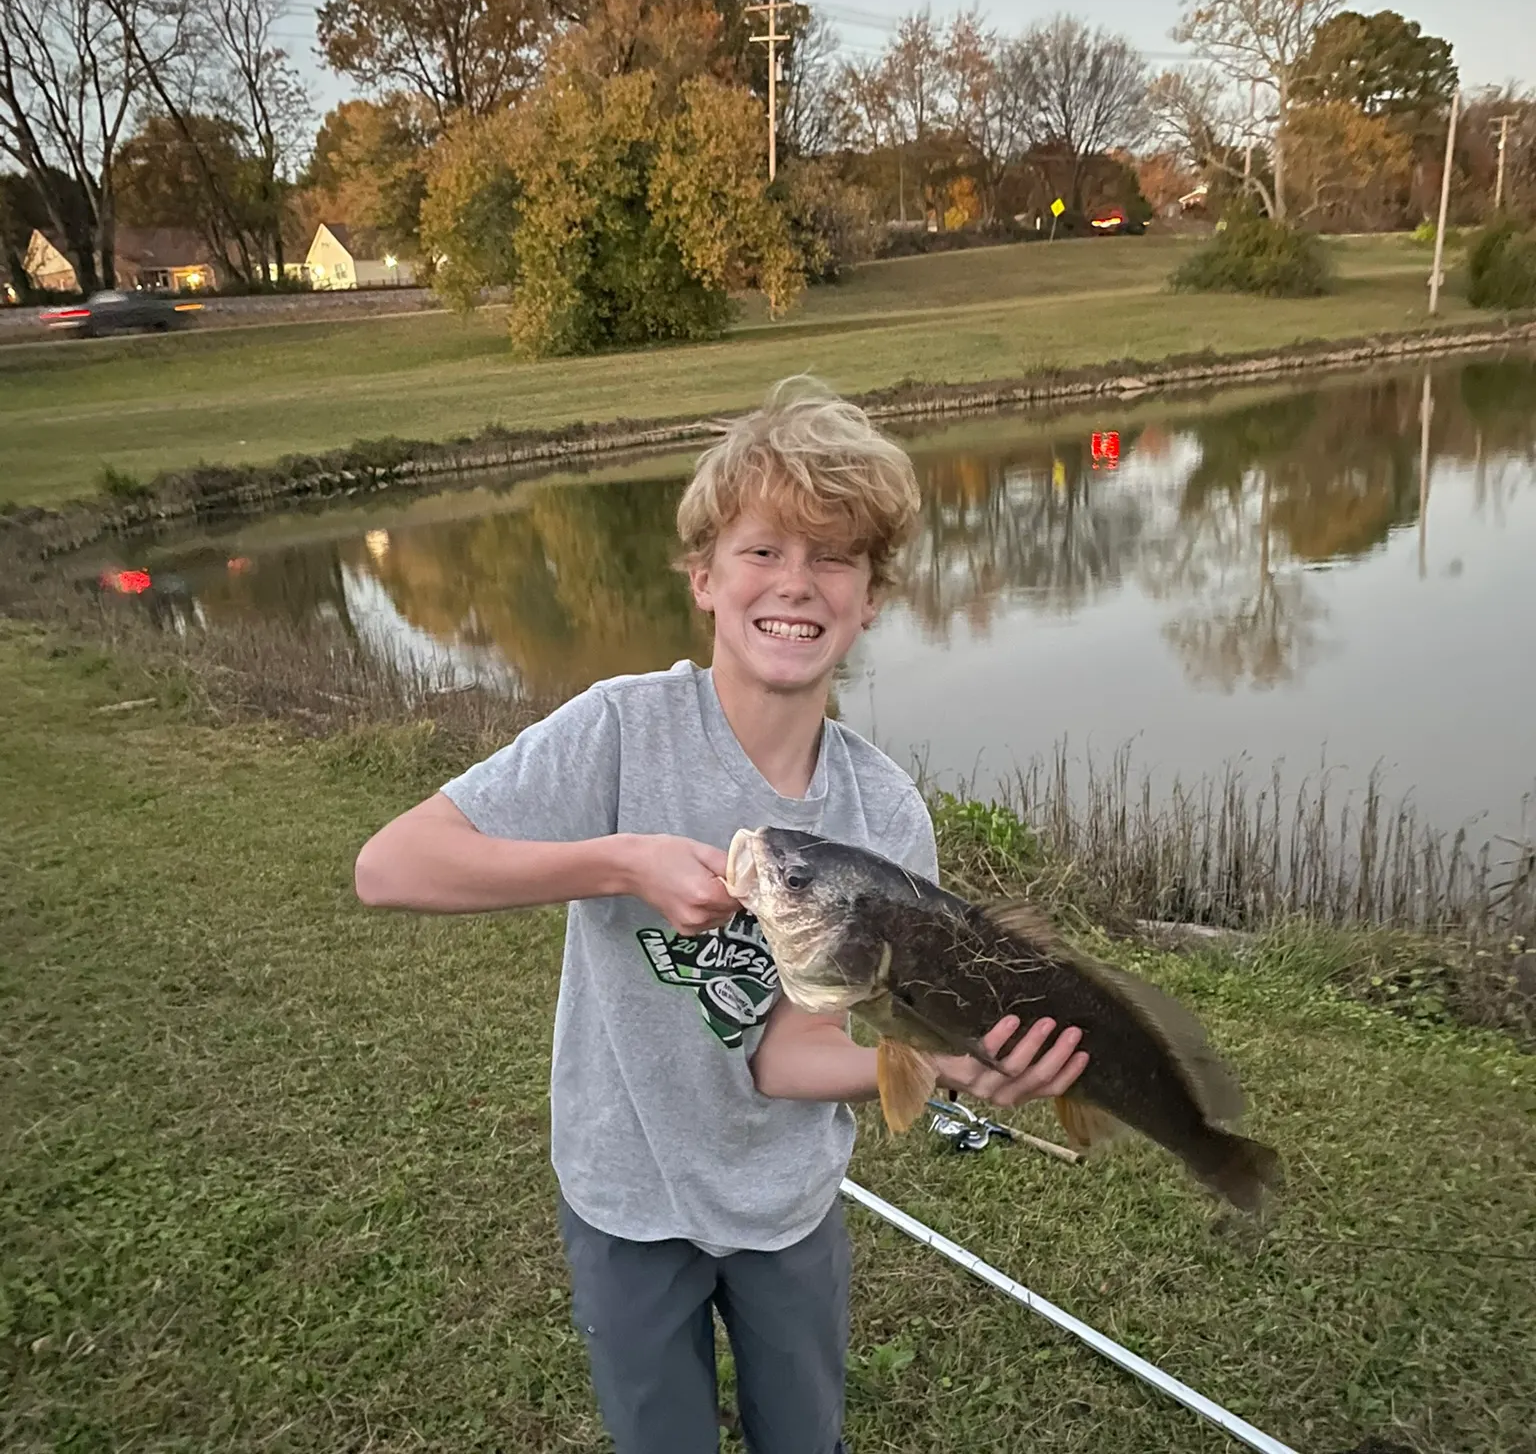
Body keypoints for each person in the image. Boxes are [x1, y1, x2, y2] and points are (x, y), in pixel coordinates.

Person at [354, 377, 1088, 1454]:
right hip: (625, 1194)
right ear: (703, 576)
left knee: (805, 1436)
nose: (797, 584)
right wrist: (617, 863)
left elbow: (789, 1060)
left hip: (786, 1204)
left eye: (835, 556)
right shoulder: (621, 730)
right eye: (762, 551)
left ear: (873, 595)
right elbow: (390, 866)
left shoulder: (882, 811)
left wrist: (957, 1065)